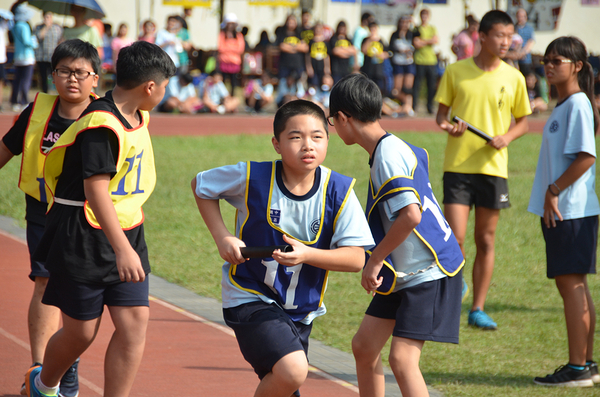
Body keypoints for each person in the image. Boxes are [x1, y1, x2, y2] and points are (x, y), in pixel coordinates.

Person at [191, 99, 374, 397]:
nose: (307, 145)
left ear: (328, 140)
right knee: (294, 370)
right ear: (276, 144)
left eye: (317, 136)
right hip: (249, 296)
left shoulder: (338, 191)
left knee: (287, 382)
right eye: (295, 137)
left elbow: (356, 259)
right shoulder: (252, 177)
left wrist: (307, 255)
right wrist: (222, 236)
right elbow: (201, 186)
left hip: (300, 312)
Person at [23, 40, 176, 397]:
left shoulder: (138, 115)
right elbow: (96, 191)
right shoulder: (100, 125)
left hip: (126, 229)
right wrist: (123, 250)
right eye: (165, 87)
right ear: (149, 87)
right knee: (81, 331)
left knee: (135, 321)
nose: (166, 93)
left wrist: (126, 243)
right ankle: (43, 384)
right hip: (83, 235)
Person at [328, 73, 463, 397]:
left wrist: (374, 260)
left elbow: (411, 215)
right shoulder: (393, 146)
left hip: (428, 272)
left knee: (402, 360)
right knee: (364, 346)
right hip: (403, 273)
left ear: (344, 118)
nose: (334, 128)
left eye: (332, 122)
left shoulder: (387, 155)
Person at [0, 38, 99, 397]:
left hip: (90, 218)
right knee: (44, 283)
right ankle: (42, 373)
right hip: (43, 213)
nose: (72, 79)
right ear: (52, 74)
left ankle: (65, 365)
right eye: (63, 71)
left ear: (95, 79)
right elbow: (7, 149)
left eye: (80, 72)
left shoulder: (103, 117)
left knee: (78, 290)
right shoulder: (36, 113)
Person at [434, 10, 531, 330]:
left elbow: (523, 123)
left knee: (486, 239)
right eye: (500, 35)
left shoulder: (513, 77)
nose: (507, 42)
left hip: (493, 168)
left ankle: (478, 308)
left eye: (510, 36)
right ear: (483, 37)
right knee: (455, 237)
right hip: (458, 167)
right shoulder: (456, 71)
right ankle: (455, 286)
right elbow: (441, 117)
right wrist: (451, 129)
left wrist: (507, 137)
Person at [528, 36, 600, 388]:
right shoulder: (566, 105)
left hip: (570, 211)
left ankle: (577, 367)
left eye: (558, 60)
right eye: (547, 60)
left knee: (571, 285)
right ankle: (586, 363)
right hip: (567, 211)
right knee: (575, 285)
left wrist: (553, 191)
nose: (550, 65)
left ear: (578, 66)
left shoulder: (577, 105)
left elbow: (586, 157)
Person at [10, 3, 36, 113]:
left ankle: (14, 101)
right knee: (26, 80)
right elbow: (27, 41)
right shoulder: (24, 26)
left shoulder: (14, 26)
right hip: (27, 57)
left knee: (17, 81)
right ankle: (24, 101)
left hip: (18, 57)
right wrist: (34, 42)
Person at [412, 8, 438, 115]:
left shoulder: (432, 28)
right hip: (420, 60)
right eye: (423, 15)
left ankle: (430, 106)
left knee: (431, 85)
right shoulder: (416, 29)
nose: (424, 18)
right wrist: (428, 41)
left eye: (426, 16)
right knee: (417, 85)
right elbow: (416, 43)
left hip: (431, 61)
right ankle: (414, 106)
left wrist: (423, 41)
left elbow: (436, 40)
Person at [389, 15, 415, 116]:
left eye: (406, 23)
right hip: (398, 63)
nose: (404, 25)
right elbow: (391, 47)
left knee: (408, 87)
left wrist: (413, 22)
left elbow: (419, 35)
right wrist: (400, 50)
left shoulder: (411, 34)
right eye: (402, 22)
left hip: (409, 62)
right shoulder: (395, 35)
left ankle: (408, 108)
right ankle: (404, 105)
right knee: (396, 89)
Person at [275, 15, 308, 87]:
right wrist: (297, 47)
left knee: (298, 85)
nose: (291, 24)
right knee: (283, 84)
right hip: (285, 64)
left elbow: (305, 48)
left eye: (293, 22)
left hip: (298, 64)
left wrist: (291, 47)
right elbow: (282, 46)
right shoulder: (282, 33)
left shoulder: (300, 33)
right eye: (290, 22)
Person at [34, 11, 62, 93]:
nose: (47, 18)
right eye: (46, 17)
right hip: (41, 57)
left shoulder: (57, 28)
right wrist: (46, 27)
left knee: (56, 75)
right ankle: (44, 92)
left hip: (53, 56)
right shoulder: (39, 27)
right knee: (43, 77)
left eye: (49, 16)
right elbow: (38, 37)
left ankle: (58, 92)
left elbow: (60, 39)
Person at [217, 13, 245, 95]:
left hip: (234, 63)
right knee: (223, 82)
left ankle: (232, 97)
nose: (230, 26)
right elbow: (221, 48)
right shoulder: (222, 35)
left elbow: (240, 49)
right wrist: (233, 48)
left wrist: (228, 47)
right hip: (224, 62)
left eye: (232, 24)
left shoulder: (238, 35)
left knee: (233, 83)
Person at [361, 21, 388, 94]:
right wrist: (370, 39)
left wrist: (383, 55)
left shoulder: (381, 40)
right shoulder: (366, 39)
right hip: (368, 68)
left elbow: (387, 52)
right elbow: (363, 50)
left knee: (378, 89)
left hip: (378, 69)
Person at [305, 22, 330, 88]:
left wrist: (327, 67)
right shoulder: (311, 42)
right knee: (313, 83)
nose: (318, 31)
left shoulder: (325, 42)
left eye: (319, 29)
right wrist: (309, 67)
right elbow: (308, 55)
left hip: (322, 65)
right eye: (316, 29)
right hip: (314, 65)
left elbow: (327, 56)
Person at [514, 8, 535, 74]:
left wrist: (522, 53)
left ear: (525, 17)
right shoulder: (514, 28)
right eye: (519, 16)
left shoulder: (529, 28)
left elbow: (531, 42)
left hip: (526, 59)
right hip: (514, 59)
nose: (520, 18)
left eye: (522, 16)